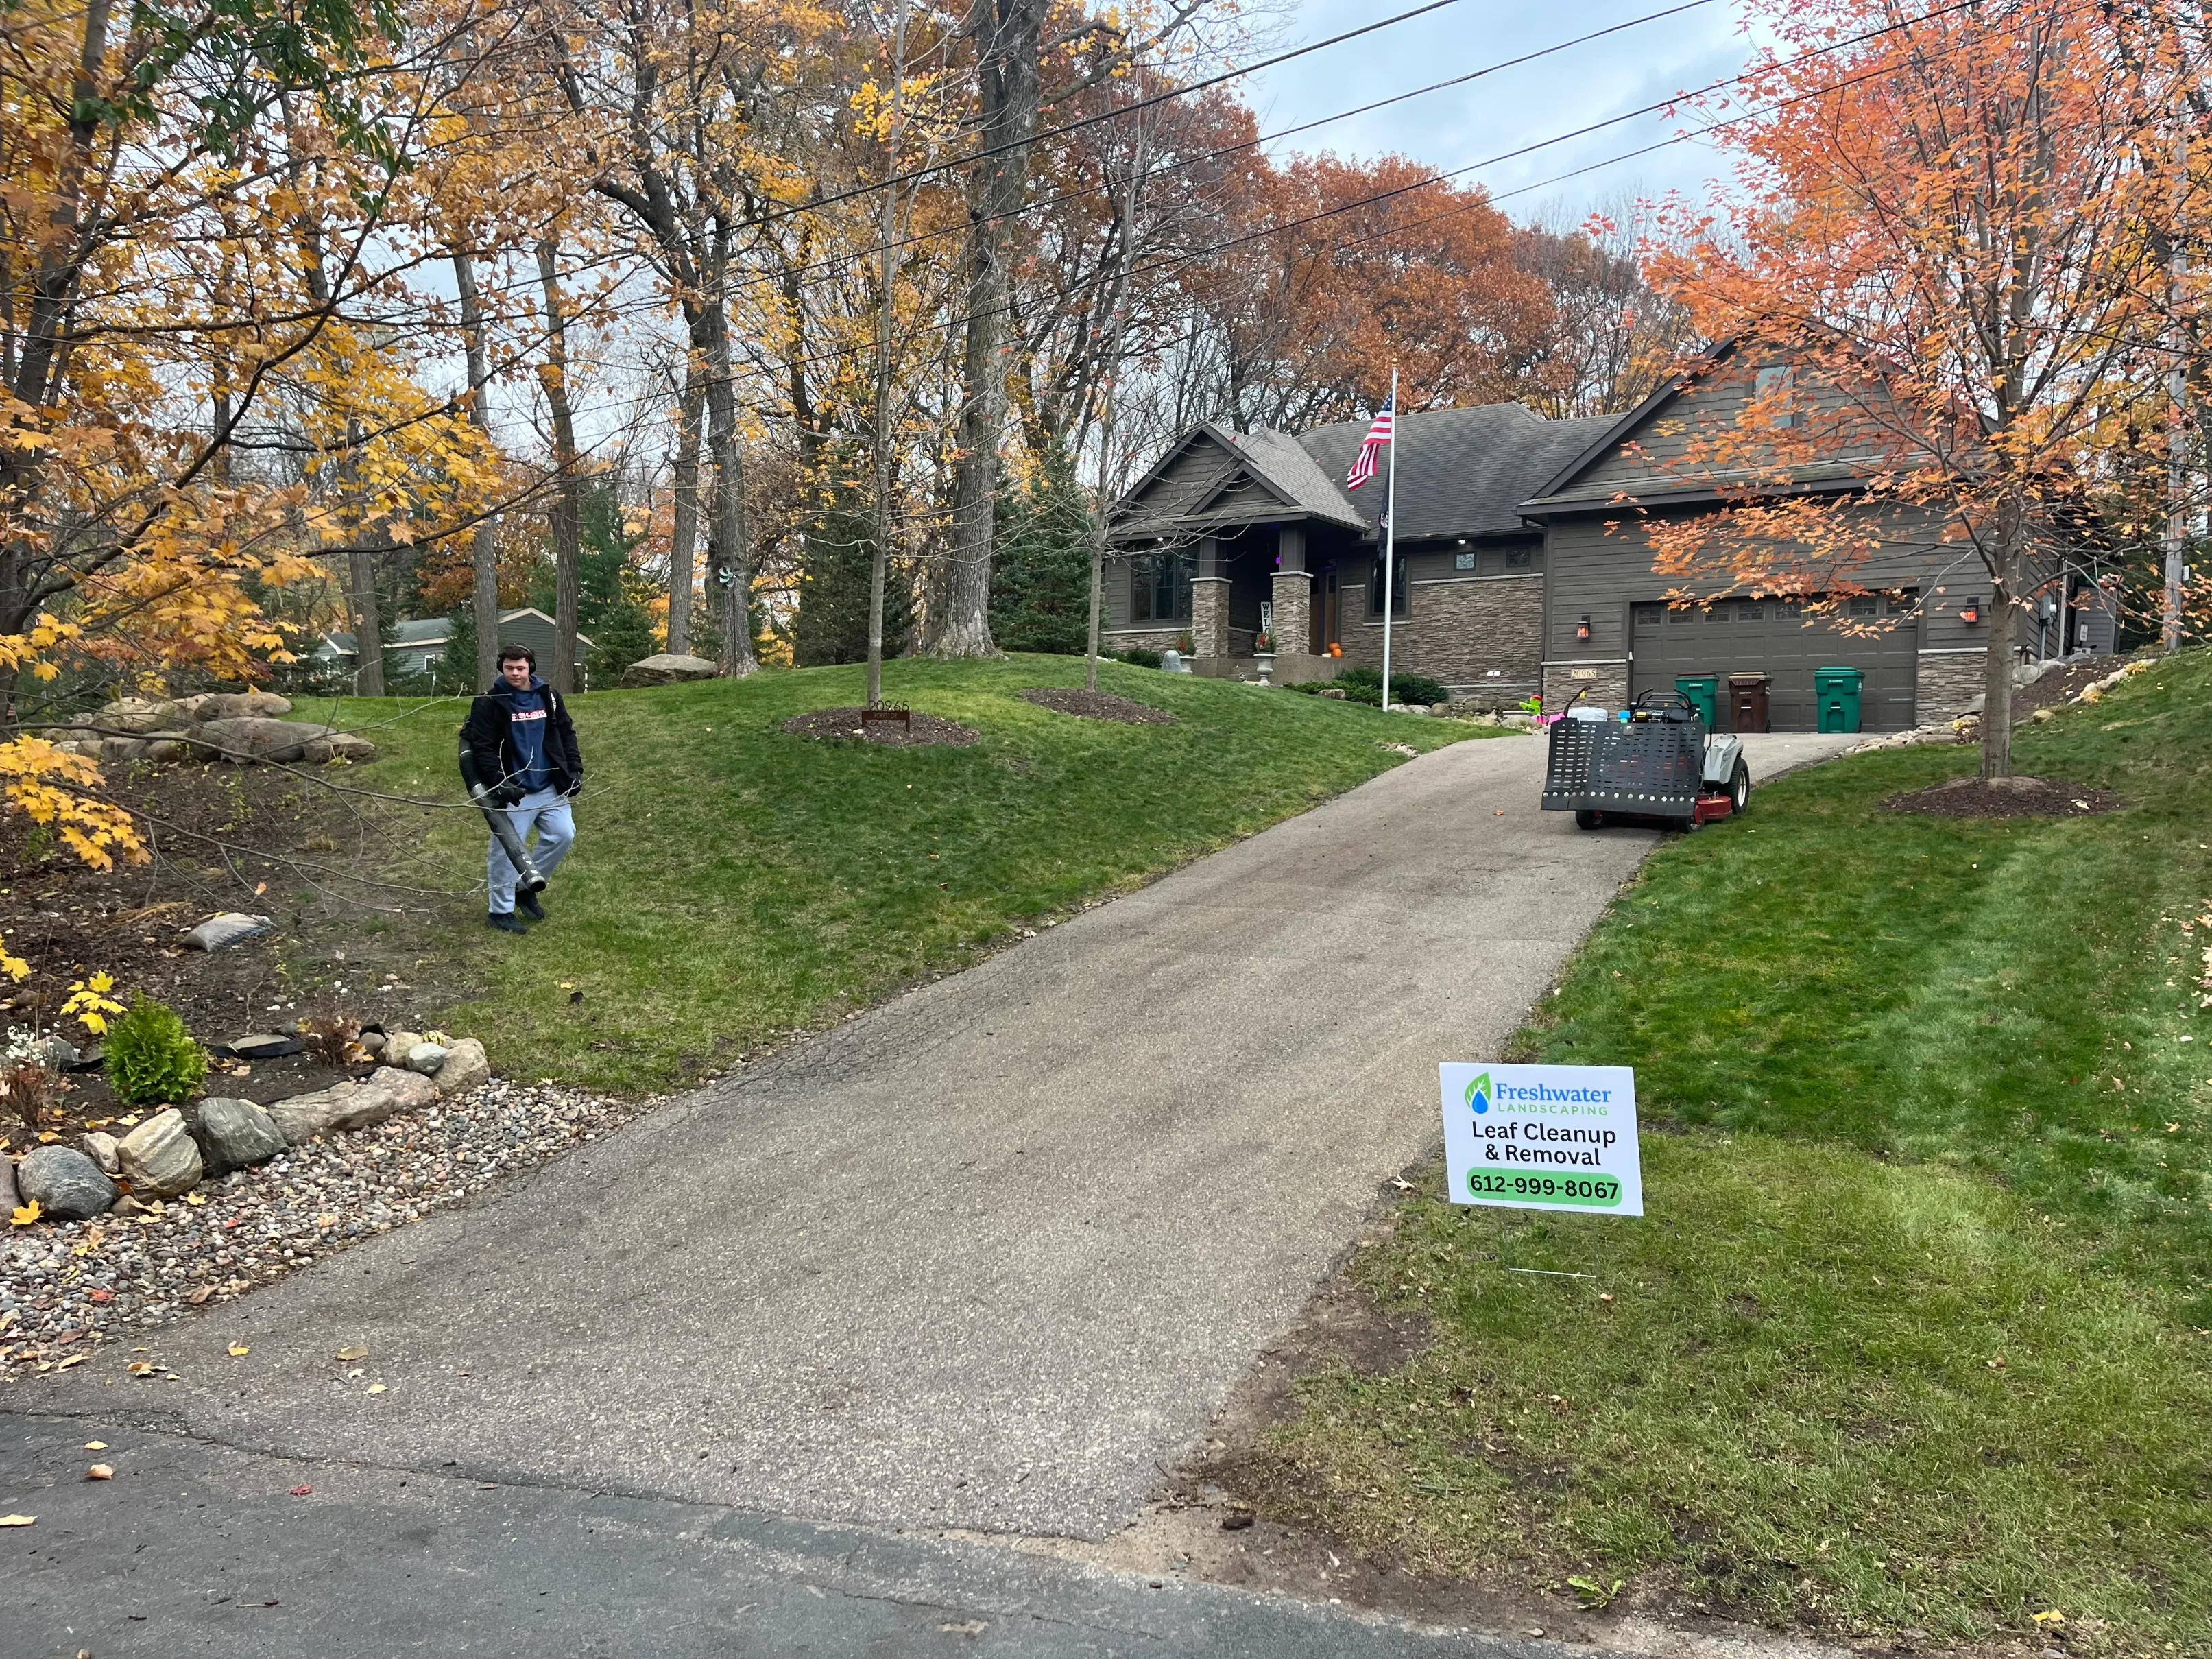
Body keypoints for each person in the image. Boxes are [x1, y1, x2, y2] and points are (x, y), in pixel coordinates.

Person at [462, 644, 583, 933]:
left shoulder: (549, 697)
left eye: (520, 668)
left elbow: (565, 733)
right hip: (514, 793)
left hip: (549, 786)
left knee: (563, 835)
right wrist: (499, 783)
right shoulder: (489, 703)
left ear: (530, 667)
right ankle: (500, 912)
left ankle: (523, 886)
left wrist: (575, 770)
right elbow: (484, 748)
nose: (515, 673)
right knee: (505, 852)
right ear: (501, 668)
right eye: (509, 668)